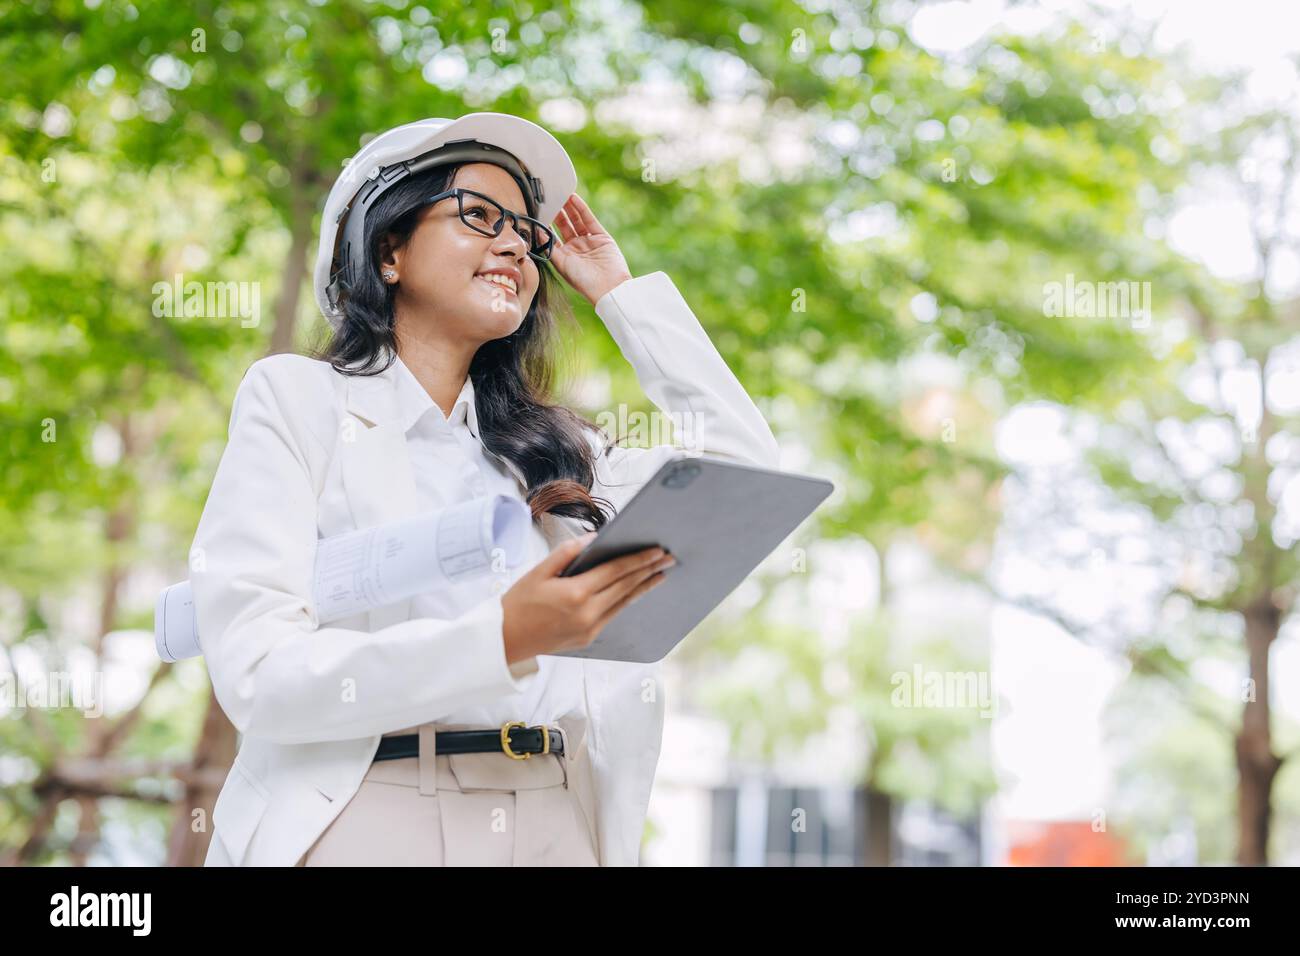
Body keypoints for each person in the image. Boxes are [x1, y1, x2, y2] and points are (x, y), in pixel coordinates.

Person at [193, 112, 781, 866]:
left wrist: (621, 297)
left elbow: (745, 474)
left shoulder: (564, 457)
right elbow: (258, 671)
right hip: (373, 808)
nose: (516, 244)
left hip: (555, 816)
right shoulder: (299, 402)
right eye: (479, 216)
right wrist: (503, 638)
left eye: (529, 234)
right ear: (388, 249)